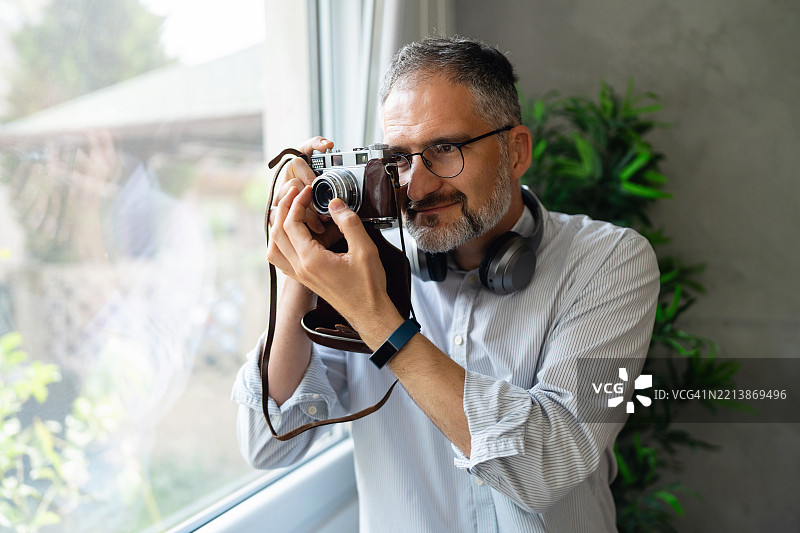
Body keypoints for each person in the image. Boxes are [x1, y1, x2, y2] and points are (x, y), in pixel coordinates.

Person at [232, 36, 659, 532]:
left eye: (444, 149)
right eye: (399, 157)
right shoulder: (367, 267)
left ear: (516, 150)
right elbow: (269, 440)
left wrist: (380, 323)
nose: (417, 185)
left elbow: (549, 464)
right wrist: (301, 273)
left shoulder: (612, 262)